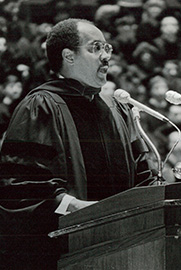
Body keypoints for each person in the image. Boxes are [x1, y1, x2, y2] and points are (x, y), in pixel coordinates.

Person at [0, 18, 152, 270]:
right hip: (64, 253)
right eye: (95, 48)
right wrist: (81, 209)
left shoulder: (116, 111)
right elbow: (21, 186)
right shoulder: (41, 106)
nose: (106, 57)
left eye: (107, 48)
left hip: (121, 249)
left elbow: (142, 176)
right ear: (68, 56)